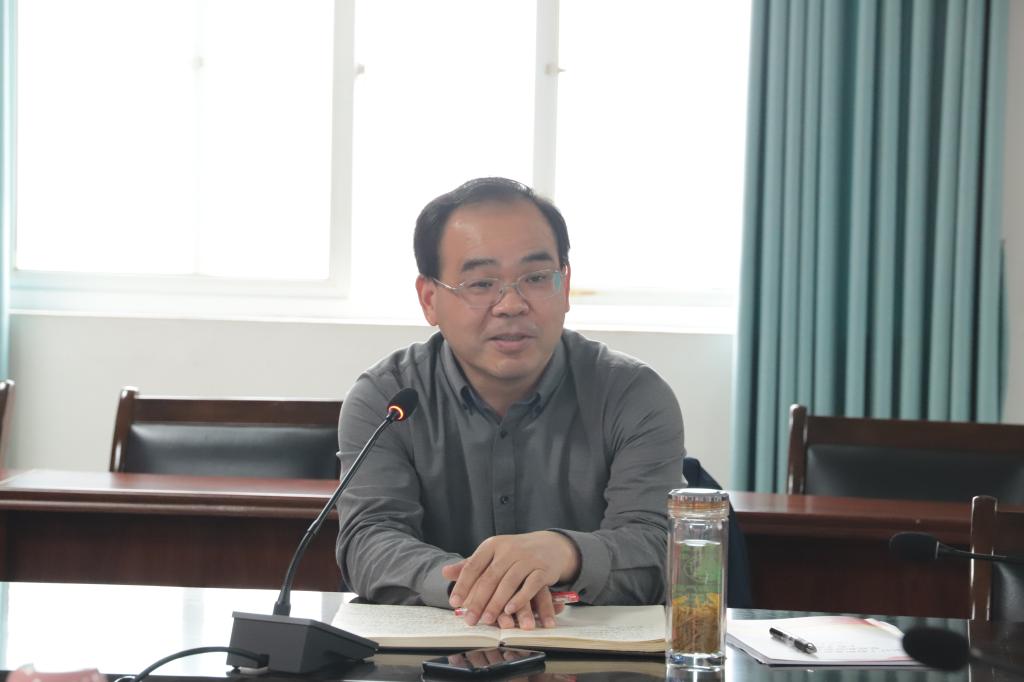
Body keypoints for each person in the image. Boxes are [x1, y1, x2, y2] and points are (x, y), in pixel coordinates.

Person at [335, 177, 685, 631]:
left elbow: (661, 546)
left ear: (565, 285)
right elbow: (368, 541)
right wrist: (477, 587)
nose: (511, 305)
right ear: (430, 299)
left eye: (536, 278)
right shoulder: (387, 400)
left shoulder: (633, 396)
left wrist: (566, 553)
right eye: (481, 283)